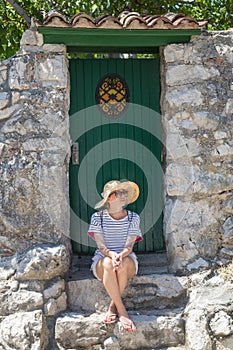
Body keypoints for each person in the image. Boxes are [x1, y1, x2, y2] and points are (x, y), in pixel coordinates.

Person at [87, 180, 142, 332]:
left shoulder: (133, 217)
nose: (122, 195)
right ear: (109, 199)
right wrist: (112, 255)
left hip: (127, 258)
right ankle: (122, 311)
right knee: (107, 264)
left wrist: (121, 255)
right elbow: (101, 246)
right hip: (103, 260)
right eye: (118, 193)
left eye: (124, 192)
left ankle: (113, 306)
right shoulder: (98, 217)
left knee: (122, 263)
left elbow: (129, 246)